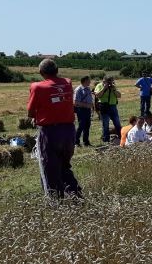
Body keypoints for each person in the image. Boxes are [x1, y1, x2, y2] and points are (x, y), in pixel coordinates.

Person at [27, 59, 81, 199]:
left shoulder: (37, 87)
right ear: (57, 70)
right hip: (69, 131)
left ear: (40, 72)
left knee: (49, 169)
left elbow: (30, 112)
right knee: (64, 167)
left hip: (50, 132)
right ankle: (76, 197)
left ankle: (55, 203)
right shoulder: (67, 83)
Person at [93, 76, 122, 143]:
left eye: (111, 81)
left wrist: (114, 90)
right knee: (105, 124)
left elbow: (119, 96)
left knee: (117, 123)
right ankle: (106, 139)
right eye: (108, 81)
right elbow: (97, 95)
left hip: (113, 107)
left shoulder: (113, 87)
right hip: (104, 107)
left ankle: (121, 137)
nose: (109, 83)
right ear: (104, 81)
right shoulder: (99, 85)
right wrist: (104, 88)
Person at [73, 76, 95, 147]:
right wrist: (87, 105)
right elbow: (76, 102)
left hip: (87, 110)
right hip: (81, 110)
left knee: (87, 126)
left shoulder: (88, 89)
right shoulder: (78, 90)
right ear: (85, 81)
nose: (90, 82)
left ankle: (86, 142)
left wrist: (91, 105)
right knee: (81, 126)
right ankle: (76, 142)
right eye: (89, 80)